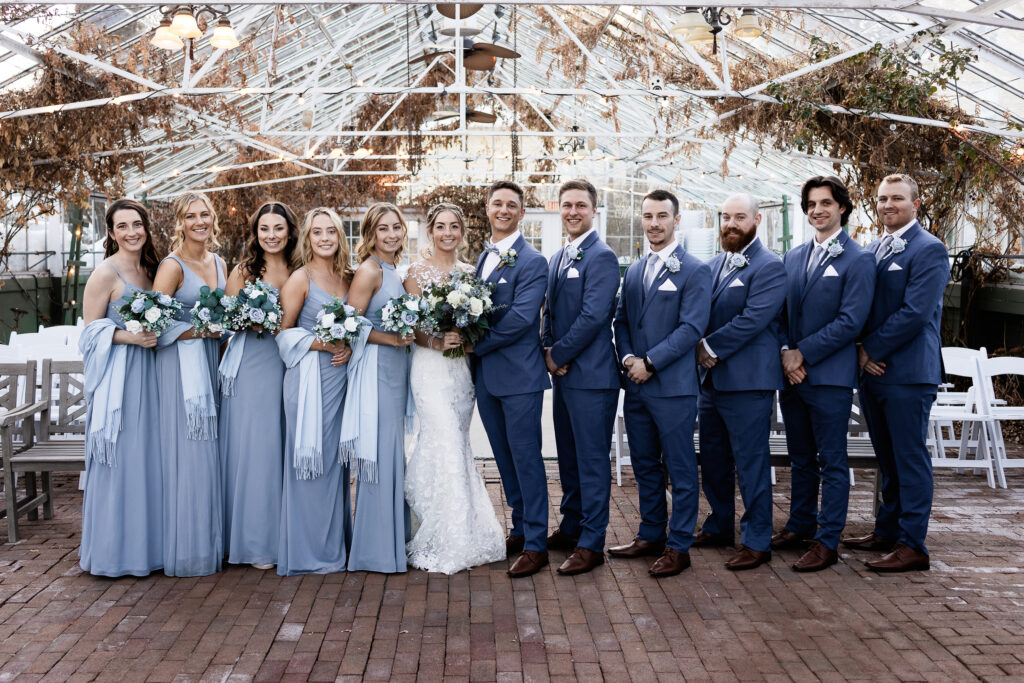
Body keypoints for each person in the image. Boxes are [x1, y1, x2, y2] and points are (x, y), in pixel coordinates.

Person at [844, 174, 949, 572]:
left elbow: (915, 313)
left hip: (907, 372)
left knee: (909, 457)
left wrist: (869, 349)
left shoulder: (930, 249)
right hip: (873, 371)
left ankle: (913, 544)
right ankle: (886, 530)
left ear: (916, 203)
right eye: (882, 198)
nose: (888, 205)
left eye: (897, 199)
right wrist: (859, 351)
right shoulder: (873, 248)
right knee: (887, 457)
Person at [774, 176, 875, 572]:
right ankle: (799, 524)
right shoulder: (793, 257)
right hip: (792, 375)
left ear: (842, 208)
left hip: (829, 377)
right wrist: (786, 353)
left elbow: (851, 321)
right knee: (800, 458)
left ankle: (827, 539)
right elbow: (779, 315)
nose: (818, 210)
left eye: (826, 203)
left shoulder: (859, 259)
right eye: (812, 204)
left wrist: (803, 354)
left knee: (832, 460)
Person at [610, 189, 711, 577]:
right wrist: (629, 359)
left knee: (680, 468)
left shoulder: (695, 270)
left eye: (662, 216)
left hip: (673, 388)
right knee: (645, 466)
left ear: (676, 219)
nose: (654, 223)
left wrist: (651, 362)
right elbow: (621, 320)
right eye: (648, 216)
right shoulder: (634, 270)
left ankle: (679, 544)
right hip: (636, 386)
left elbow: (692, 328)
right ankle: (650, 533)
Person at [403, 203, 505, 574]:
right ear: (430, 230)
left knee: (457, 444)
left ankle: (463, 527)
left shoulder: (470, 273)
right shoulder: (415, 273)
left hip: (461, 371)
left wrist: (467, 335)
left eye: (455, 227)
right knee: (442, 439)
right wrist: (436, 342)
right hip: (430, 369)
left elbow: (480, 322)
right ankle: (448, 535)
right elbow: (411, 327)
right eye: (441, 226)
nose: (448, 233)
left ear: (462, 232)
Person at [696, 193, 786, 571]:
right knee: (713, 460)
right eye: (725, 217)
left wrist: (708, 347)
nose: (731, 224)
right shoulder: (715, 264)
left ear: (757, 221)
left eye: (739, 217)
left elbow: (753, 319)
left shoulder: (769, 267)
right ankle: (719, 524)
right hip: (711, 382)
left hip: (748, 383)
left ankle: (757, 539)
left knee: (751, 462)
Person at [78, 199, 163, 577]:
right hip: (120, 379)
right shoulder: (104, 274)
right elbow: (89, 333)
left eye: (137, 224)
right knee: (120, 461)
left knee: (147, 461)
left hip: (153, 376)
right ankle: (114, 554)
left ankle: (149, 550)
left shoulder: (153, 269)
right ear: (111, 233)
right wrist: (130, 339)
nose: (132, 232)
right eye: (123, 226)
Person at [472, 180, 551, 579]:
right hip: (486, 379)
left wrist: (473, 345)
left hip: (519, 378)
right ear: (487, 208)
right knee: (504, 460)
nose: (503, 210)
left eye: (511, 205)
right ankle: (520, 529)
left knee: (527, 460)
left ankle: (538, 544)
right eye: (497, 203)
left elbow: (522, 319)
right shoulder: (483, 256)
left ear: (522, 213)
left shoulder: (533, 261)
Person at [542, 179, 621, 576]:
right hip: (564, 377)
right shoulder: (558, 257)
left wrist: (558, 353)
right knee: (569, 458)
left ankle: (592, 542)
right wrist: (546, 349)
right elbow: (550, 314)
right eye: (567, 205)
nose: (573, 212)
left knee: (591, 462)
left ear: (594, 211)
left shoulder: (601, 257)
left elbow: (593, 317)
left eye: (581, 206)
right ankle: (571, 525)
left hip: (592, 378)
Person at [275, 207, 354, 576]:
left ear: (340, 236)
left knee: (335, 465)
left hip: (341, 381)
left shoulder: (348, 277)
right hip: (309, 380)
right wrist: (322, 345)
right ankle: (310, 553)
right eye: (317, 232)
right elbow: (283, 332)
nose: (324, 238)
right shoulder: (299, 279)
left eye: (331, 232)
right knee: (311, 461)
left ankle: (334, 545)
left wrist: (349, 345)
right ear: (307, 238)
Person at [219, 201, 297, 570]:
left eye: (278, 228)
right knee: (258, 449)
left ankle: (288, 533)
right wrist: (250, 321)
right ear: (255, 233)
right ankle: (255, 542)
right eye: (264, 229)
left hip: (294, 364)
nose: (271, 235)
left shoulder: (302, 267)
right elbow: (227, 321)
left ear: (289, 231)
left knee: (287, 445)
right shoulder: (244, 271)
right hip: (255, 365)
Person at [153, 191, 227, 577]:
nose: (199, 221)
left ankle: (211, 542)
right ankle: (188, 551)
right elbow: (153, 322)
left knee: (209, 452)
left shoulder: (218, 260)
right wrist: (200, 331)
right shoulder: (172, 266)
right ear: (180, 222)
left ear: (213, 220)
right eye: (191, 216)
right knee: (189, 453)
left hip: (211, 362)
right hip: (180, 368)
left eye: (205, 215)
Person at [346, 202, 414, 574]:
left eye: (396, 228)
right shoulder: (369, 271)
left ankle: (392, 541)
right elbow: (350, 325)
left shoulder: (393, 270)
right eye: (383, 229)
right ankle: (374, 550)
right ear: (370, 233)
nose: (391, 235)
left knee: (391, 454)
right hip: (376, 371)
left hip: (395, 371)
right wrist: (392, 342)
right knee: (378, 454)